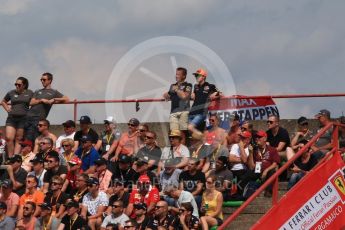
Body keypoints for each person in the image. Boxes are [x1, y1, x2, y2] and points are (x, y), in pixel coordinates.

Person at [25, 72, 69, 142]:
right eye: (41, 79)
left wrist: (54, 99)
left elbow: (66, 99)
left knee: (34, 139)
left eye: (44, 79)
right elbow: (31, 103)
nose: (42, 81)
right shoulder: (37, 91)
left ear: (50, 80)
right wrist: (42, 100)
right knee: (25, 139)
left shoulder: (53, 92)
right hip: (28, 116)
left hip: (38, 119)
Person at [242, 130, 280, 197]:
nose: (257, 139)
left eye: (259, 137)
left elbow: (275, 164)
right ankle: (243, 194)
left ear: (265, 138)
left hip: (268, 172)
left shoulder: (272, 149)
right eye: (256, 137)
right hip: (257, 171)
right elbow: (251, 167)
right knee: (247, 174)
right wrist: (250, 153)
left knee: (272, 172)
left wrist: (266, 170)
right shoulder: (254, 150)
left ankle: (268, 192)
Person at [1, 76, 33, 156]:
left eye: (19, 85)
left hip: (23, 118)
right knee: (8, 138)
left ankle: (15, 157)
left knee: (19, 138)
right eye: (16, 84)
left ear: (24, 85)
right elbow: (3, 101)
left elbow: (34, 102)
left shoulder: (30, 93)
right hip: (11, 118)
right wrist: (8, 109)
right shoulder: (11, 92)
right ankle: (11, 157)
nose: (17, 86)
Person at [188, 68, 221, 136]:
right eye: (195, 75)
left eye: (198, 75)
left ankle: (203, 137)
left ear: (203, 77)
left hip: (201, 112)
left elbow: (220, 93)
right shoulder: (195, 86)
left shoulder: (210, 86)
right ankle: (201, 141)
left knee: (190, 128)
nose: (196, 77)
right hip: (192, 112)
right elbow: (194, 96)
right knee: (190, 133)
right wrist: (192, 95)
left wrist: (215, 94)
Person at [163, 67, 192, 144]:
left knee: (182, 133)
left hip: (184, 111)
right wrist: (167, 94)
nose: (176, 76)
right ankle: (176, 152)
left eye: (178, 74)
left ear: (184, 76)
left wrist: (176, 90)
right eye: (176, 74)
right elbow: (166, 96)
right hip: (173, 112)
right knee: (174, 134)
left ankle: (183, 151)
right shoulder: (172, 85)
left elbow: (184, 96)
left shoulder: (188, 85)